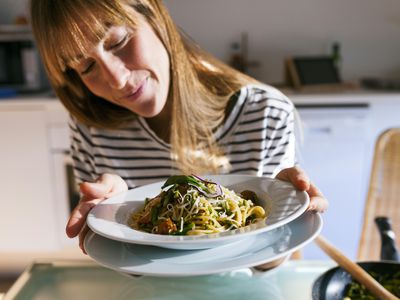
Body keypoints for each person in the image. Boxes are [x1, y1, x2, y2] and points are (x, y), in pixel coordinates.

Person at [30, 0, 328, 254]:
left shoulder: (264, 113)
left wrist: (287, 219)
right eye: (86, 67)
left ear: (155, 16)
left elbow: (268, 262)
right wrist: (114, 217)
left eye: (118, 42)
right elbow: (124, 269)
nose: (117, 80)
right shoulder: (89, 127)